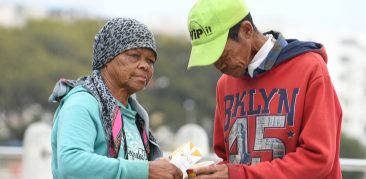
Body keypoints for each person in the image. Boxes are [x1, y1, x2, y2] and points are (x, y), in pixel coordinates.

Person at [186, 0, 342, 178]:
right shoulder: (224, 84)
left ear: (246, 30)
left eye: (222, 54)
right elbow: (228, 159)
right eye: (210, 58)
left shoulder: (310, 69)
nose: (218, 65)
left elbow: (318, 158)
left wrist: (238, 175)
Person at [48, 17, 182, 179]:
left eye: (150, 61)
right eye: (134, 55)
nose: (144, 65)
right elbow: (71, 164)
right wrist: (146, 170)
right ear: (106, 57)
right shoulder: (82, 103)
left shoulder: (136, 115)